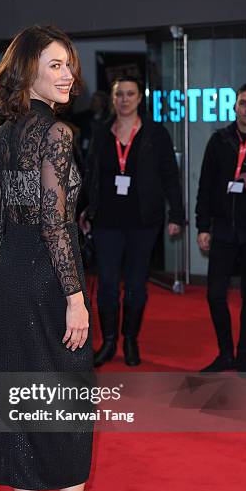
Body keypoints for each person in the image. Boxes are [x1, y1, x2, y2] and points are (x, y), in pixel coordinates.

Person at [0, 25, 99, 491]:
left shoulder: (3, 134)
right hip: (48, 279)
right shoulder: (57, 133)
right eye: (55, 66)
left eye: (70, 66)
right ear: (30, 70)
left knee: (21, 405)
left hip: (8, 279)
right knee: (74, 402)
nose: (67, 75)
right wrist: (76, 299)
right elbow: (56, 224)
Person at [83, 75, 184, 367]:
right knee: (107, 285)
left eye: (130, 94)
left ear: (140, 98)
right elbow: (90, 175)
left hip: (144, 221)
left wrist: (176, 214)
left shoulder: (155, 133)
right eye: (119, 94)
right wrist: (85, 209)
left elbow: (170, 177)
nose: (124, 99)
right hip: (106, 221)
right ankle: (109, 341)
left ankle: (130, 339)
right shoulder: (102, 132)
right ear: (113, 99)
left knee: (137, 285)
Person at [196, 83, 246, 373]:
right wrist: (203, 226)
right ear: (235, 106)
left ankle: (244, 355)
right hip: (223, 230)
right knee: (215, 293)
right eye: (243, 103)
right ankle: (225, 352)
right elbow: (205, 186)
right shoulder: (219, 141)